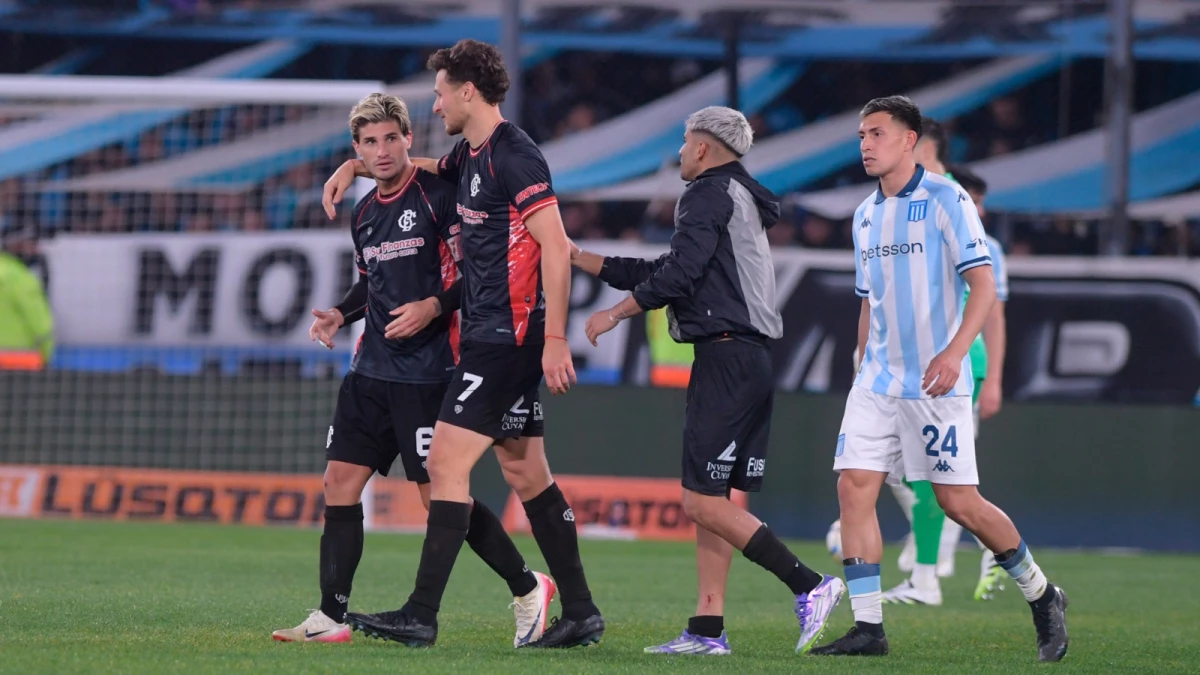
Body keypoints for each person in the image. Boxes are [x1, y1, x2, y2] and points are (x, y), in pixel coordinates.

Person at [320, 40, 603, 649]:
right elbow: (413, 166)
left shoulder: (515, 155)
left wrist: (554, 339)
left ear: (468, 91)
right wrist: (354, 168)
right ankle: (579, 611)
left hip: (509, 336)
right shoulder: (468, 156)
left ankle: (420, 614)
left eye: (442, 91)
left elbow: (556, 247)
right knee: (527, 473)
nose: (437, 101)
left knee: (444, 467)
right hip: (490, 334)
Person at [272, 93, 555, 647]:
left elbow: (479, 271)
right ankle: (331, 615)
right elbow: (371, 284)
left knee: (440, 500)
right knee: (338, 483)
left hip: (431, 372)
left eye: (390, 139)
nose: (381, 151)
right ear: (357, 149)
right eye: (369, 143)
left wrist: (434, 307)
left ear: (408, 139)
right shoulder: (363, 213)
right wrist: (338, 312)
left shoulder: (439, 197)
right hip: (369, 372)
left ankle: (527, 587)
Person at [572, 106, 844, 657]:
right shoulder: (736, 197)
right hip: (745, 358)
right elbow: (671, 266)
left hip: (727, 359)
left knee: (700, 503)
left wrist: (614, 313)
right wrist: (582, 258)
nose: (678, 151)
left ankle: (810, 584)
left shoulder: (705, 194)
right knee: (715, 498)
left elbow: (678, 275)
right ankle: (707, 629)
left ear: (702, 147)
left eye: (684, 140)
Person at [811, 96, 1068, 661]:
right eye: (861, 136)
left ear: (909, 140)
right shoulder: (864, 215)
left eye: (877, 133)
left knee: (958, 501)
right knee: (853, 487)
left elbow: (981, 286)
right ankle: (869, 628)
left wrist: (955, 354)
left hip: (935, 381)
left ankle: (1042, 593)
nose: (865, 145)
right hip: (877, 380)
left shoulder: (948, 199)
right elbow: (867, 302)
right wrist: (859, 365)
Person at [0, 225, 54, 370]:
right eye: (31, 244)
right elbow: (41, 326)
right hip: (21, 362)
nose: (36, 250)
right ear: (16, 245)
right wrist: (47, 355)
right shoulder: (22, 279)